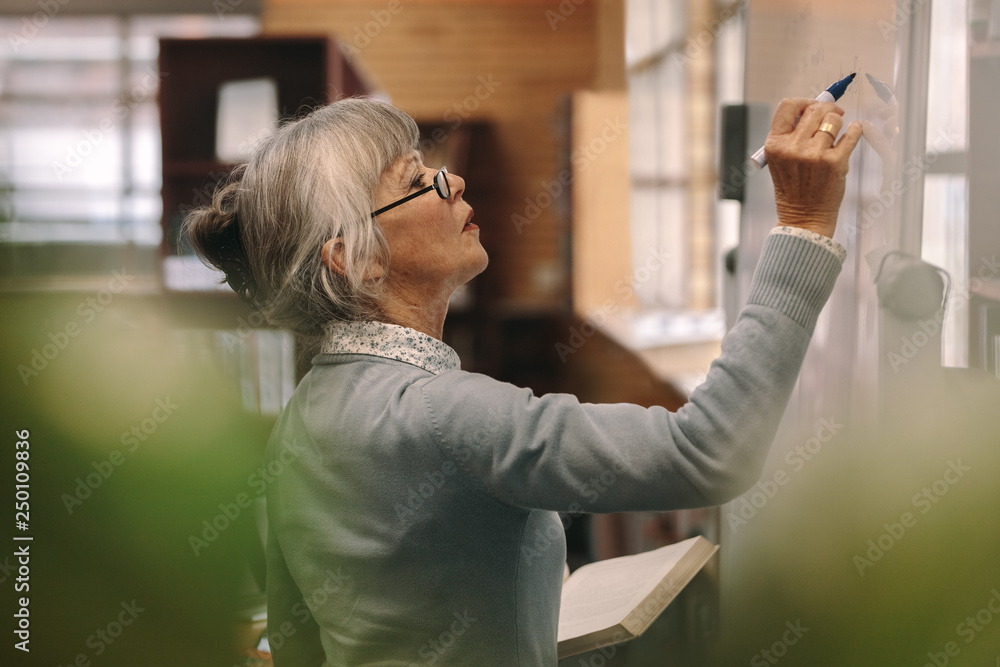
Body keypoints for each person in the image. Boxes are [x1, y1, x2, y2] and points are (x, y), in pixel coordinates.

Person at [183, 96, 862, 666]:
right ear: (356, 261)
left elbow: (299, 641)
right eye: (416, 180)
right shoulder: (445, 412)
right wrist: (801, 230)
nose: (454, 183)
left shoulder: (303, 415)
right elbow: (708, 449)